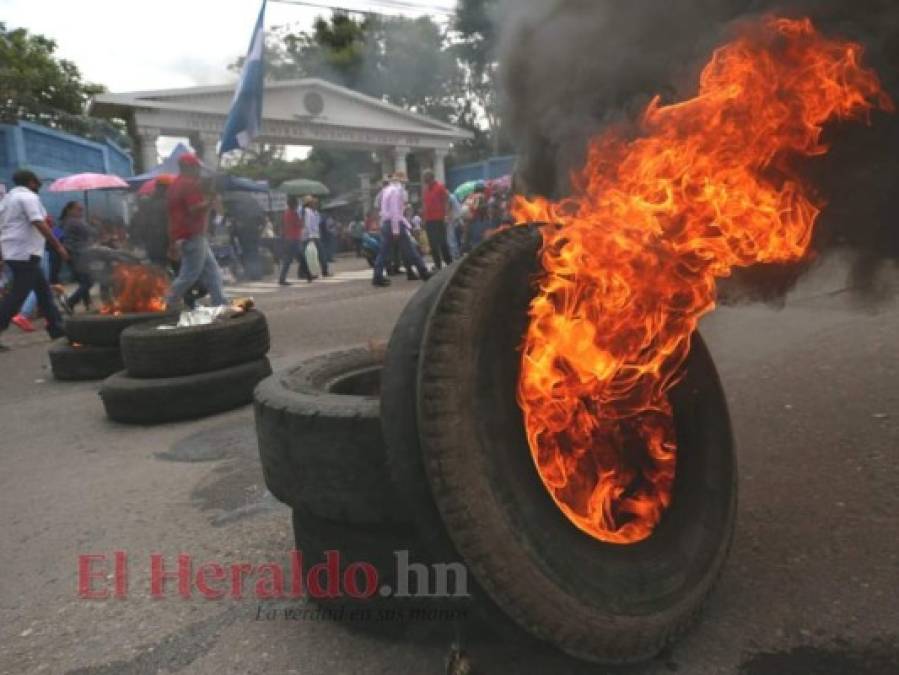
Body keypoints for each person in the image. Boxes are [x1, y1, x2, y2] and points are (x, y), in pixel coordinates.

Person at [0, 169, 68, 351]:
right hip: (25, 252)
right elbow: (38, 222)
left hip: (15, 251)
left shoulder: (7, 200)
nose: (39, 185)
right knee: (18, 294)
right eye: (38, 182)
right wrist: (58, 246)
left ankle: (56, 327)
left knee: (43, 291)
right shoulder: (28, 197)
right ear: (31, 182)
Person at [164, 154, 227, 309]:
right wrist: (209, 202)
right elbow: (193, 209)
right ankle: (168, 300)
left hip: (187, 234)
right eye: (196, 167)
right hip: (192, 234)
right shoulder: (189, 184)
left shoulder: (174, 184)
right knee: (189, 274)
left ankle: (220, 302)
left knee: (213, 271)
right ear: (189, 167)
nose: (198, 170)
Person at [372, 173, 430, 288]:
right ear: (401, 182)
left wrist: (408, 225)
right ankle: (423, 272)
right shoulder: (397, 191)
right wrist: (396, 230)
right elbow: (395, 212)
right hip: (394, 224)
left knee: (383, 253)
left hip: (387, 224)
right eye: (404, 182)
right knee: (410, 249)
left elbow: (394, 213)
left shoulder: (386, 191)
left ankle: (377, 276)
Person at [59, 201, 96, 312]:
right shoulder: (75, 222)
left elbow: (58, 235)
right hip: (78, 255)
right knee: (89, 281)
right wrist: (94, 223)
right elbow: (92, 232)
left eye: (82, 209)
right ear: (70, 210)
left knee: (83, 281)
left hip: (71, 254)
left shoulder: (64, 222)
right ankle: (70, 301)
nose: (81, 212)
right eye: (78, 209)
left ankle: (88, 303)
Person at [422, 170, 453, 270]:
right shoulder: (426, 189)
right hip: (429, 220)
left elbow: (447, 200)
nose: (423, 179)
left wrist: (447, 215)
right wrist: (424, 218)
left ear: (430, 177)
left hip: (439, 219)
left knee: (442, 242)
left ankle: (449, 262)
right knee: (432, 243)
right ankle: (437, 264)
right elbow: (425, 205)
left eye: (425, 177)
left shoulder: (440, 187)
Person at [279, 195, 312, 285]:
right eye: (296, 204)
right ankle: (308, 275)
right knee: (301, 258)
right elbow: (300, 225)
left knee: (289, 260)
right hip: (294, 239)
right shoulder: (293, 214)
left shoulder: (286, 213)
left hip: (288, 239)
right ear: (294, 204)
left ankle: (282, 278)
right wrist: (303, 216)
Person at [301, 196, 329, 277]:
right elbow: (307, 224)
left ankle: (324, 271)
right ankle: (310, 272)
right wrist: (310, 237)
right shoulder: (307, 211)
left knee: (319, 254)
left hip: (316, 235)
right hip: (310, 236)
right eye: (313, 202)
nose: (315, 204)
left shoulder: (315, 212)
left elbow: (317, 223)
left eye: (316, 203)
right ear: (309, 203)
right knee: (311, 255)